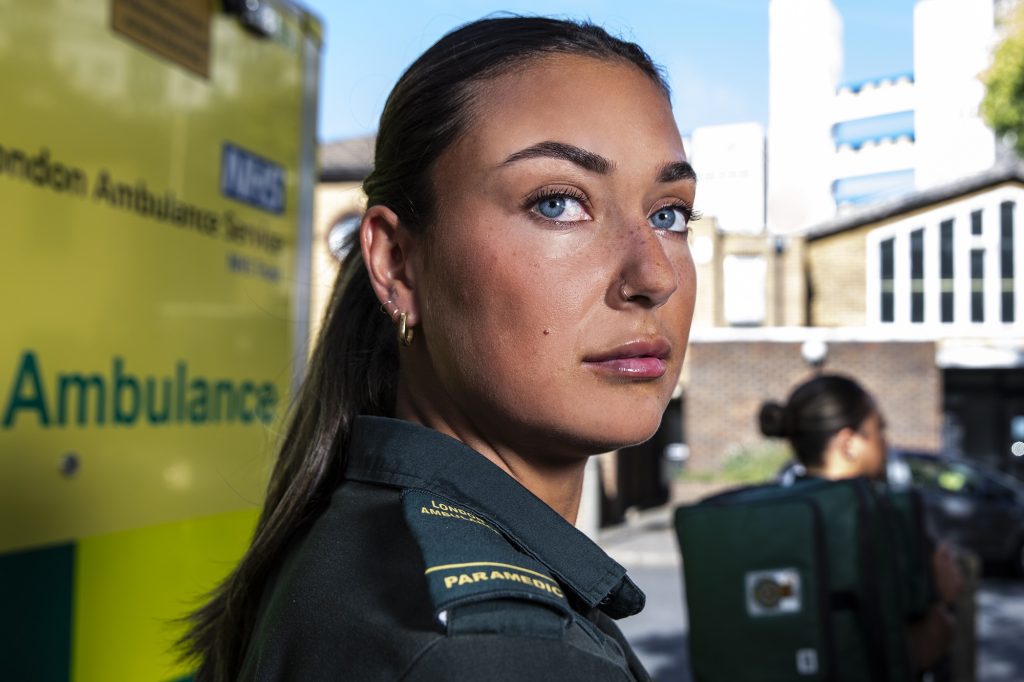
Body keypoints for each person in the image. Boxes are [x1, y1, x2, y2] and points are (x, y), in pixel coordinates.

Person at [181, 15, 698, 682]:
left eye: (670, 214)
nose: (653, 276)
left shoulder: (356, 541)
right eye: (559, 204)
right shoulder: (497, 655)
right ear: (397, 263)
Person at [759, 373, 963, 675]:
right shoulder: (890, 519)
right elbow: (921, 649)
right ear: (849, 442)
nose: (885, 441)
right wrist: (944, 598)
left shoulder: (766, 518)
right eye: (879, 428)